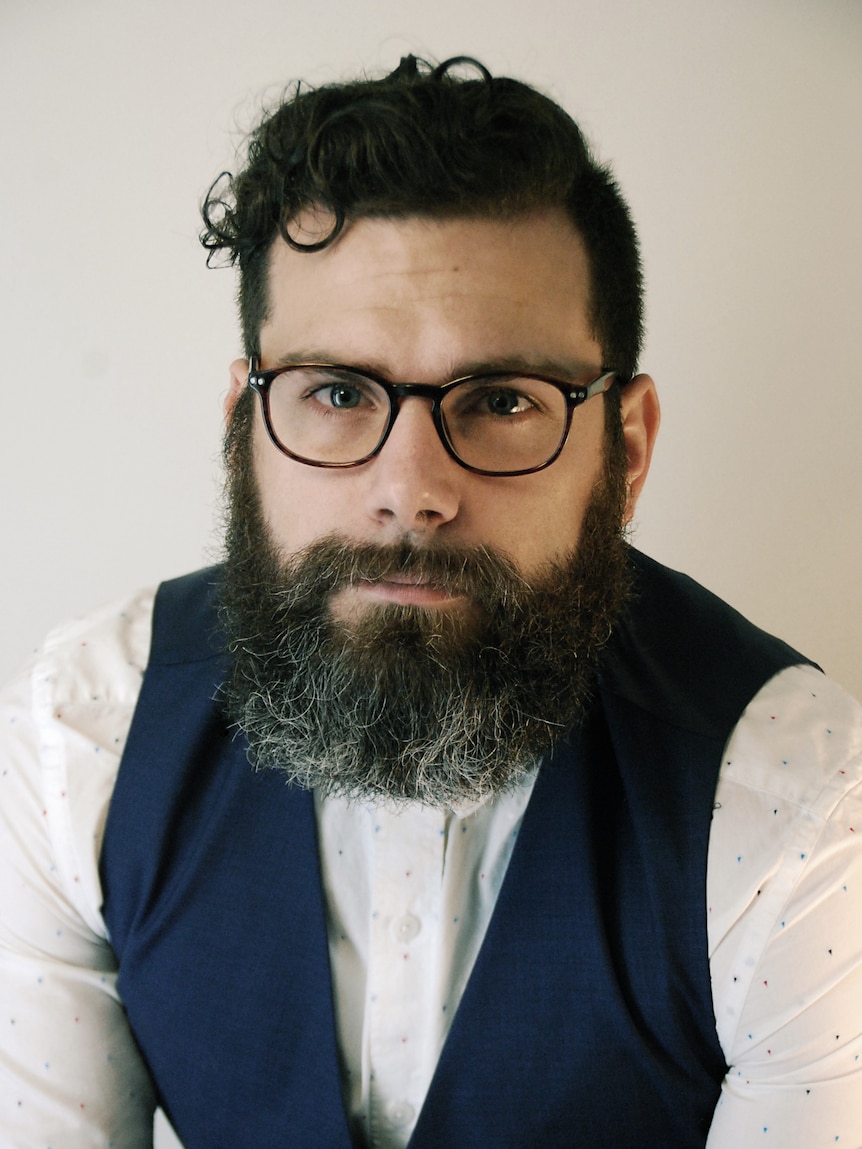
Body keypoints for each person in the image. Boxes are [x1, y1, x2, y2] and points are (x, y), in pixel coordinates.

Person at [1, 55, 860, 1149]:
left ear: (626, 448)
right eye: (337, 394)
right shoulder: (78, 739)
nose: (409, 491)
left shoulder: (803, 810)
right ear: (242, 431)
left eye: (502, 400)